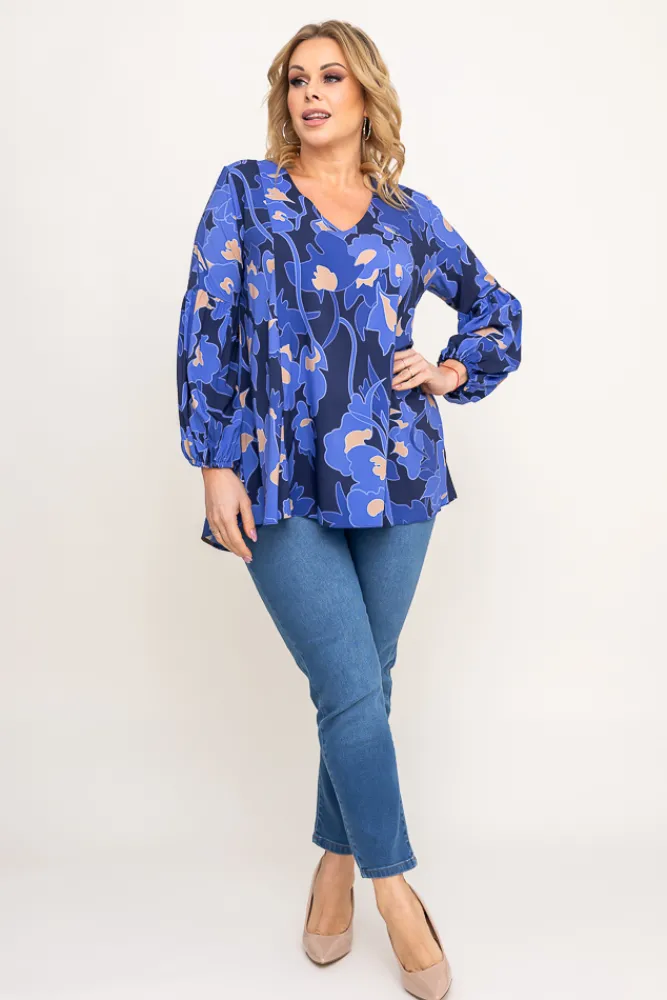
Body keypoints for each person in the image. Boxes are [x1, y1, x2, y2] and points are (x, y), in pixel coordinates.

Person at [176, 19, 521, 1000]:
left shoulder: (410, 216)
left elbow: (497, 310)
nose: (312, 94)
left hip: (399, 478)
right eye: (297, 80)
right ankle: (394, 889)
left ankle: (333, 859)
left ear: (366, 96)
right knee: (350, 684)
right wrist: (214, 461)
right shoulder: (245, 192)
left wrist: (449, 368)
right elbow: (206, 323)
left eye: (331, 78)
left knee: (364, 682)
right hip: (276, 475)